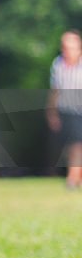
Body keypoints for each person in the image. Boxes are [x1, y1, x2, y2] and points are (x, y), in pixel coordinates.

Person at [46, 30, 82, 190]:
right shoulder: (58, 64)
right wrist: (51, 113)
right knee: (70, 146)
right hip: (65, 110)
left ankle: (72, 179)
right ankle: (76, 177)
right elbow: (55, 90)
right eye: (65, 47)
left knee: (77, 145)